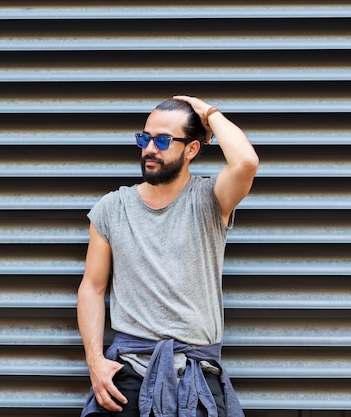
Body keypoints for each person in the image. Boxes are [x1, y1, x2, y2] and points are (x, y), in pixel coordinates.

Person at [77, 95, 259, 417]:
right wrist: (95, 362)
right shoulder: (112, 208)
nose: (149, 149)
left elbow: (245, 162)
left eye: (162, 140)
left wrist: (208, 113)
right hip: (128, 375)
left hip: (196, 376)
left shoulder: (210, 199)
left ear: (191, 149)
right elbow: (92, 288)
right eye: (145, 138)